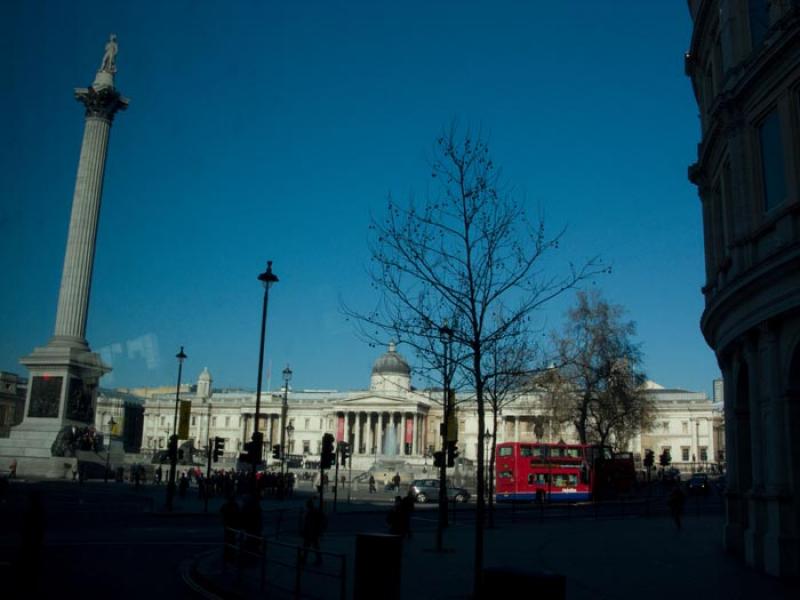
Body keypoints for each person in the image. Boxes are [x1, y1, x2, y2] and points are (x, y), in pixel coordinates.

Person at [302, 499, 326, 565]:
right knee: (313, 546)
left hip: (312, 532)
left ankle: (305, 559)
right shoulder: (314, 511)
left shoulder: (312, 512)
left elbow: (308, 523)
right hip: (312, 532)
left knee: (308, 546)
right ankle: (318, 559)